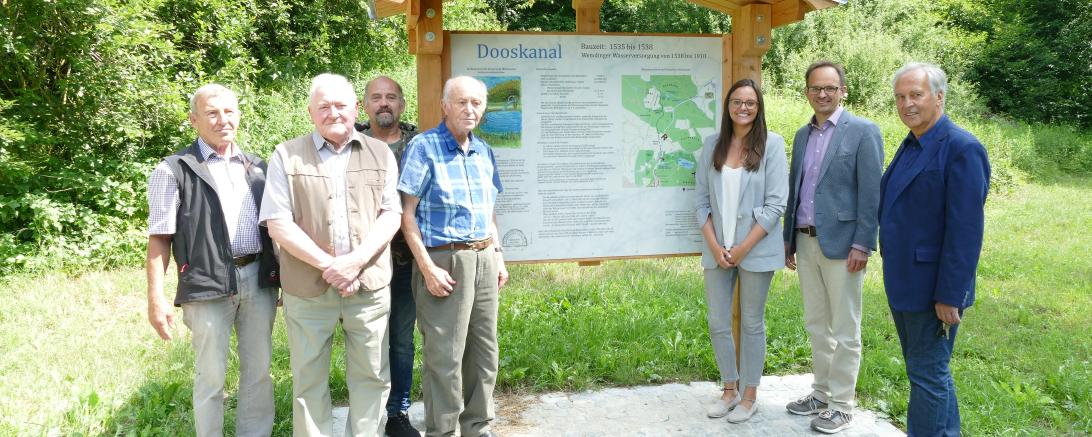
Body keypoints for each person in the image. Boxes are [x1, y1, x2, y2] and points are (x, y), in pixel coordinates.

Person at [261, 73, 402, 436]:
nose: (333, 113)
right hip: (308, 288)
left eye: (340, 105)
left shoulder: (380, 152)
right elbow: (278, 223)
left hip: (367, 287)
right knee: (308, 380)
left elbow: (391, 215)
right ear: (310, 112)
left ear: (356, 109)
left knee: (372, 374)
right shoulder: (286, 155)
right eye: (323, 106)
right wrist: (331, 266)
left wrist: (354, 263)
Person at [145, 84, 279, 437]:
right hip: (205, 284)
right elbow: (159, 238)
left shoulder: (258, 166)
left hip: (257, 279)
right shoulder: (173, 170)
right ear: (194, 120)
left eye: (230, 111)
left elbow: (274, 228)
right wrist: (156, 300)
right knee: (211, 376)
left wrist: (280, 277)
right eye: (213, 113)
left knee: (259, 371)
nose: (223, 120)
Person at [881, 62, 990, 436]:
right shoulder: (912, 142)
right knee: (929, 371)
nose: (906, 104)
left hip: (934, 292)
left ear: (939, 97)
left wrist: (950, 296)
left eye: (916, 94)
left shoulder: (962, 148)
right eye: (900, 96)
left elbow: (966, 232)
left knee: (927, 375)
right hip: (905, 284)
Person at [398, 75, 508, 437]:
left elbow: (489, 210)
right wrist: (426, 267)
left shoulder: (484, 150)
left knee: (484, 352)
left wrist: (499, 255)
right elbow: (406, 214)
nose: (470, 109)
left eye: (476, 103)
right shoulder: (424, 147)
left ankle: (478, 427)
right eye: (462, 102)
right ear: (445, 106)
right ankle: (442, 431)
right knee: (444, 357)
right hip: (443, 261)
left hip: (484, 258)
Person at [782, 61, 884, 434]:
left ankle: (841, 404)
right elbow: (798, 188)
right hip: (805, 241)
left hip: (844, 247)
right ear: (807, 92)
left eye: (829, 88)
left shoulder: (862, 132)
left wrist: (863, 243)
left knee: (845, 328)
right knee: (816, 324)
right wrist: (788, 238)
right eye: (815, 88)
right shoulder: (801, 135)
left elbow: (872, 193)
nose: (822, 94)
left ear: (843, 90)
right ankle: (821, 393)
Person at [695, 79, 788, 424]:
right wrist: (717, 247)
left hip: (756, 250)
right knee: (718, 322)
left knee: (751, 323)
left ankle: (750, 395)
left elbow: (776, 204)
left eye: (750, 102)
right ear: (728, 106)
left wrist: (743, 248)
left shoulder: (773, 145)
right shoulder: (712, 145)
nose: (743, 108)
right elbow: (701, 202)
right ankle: (729, 390)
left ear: (758, 106)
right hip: (717, 251)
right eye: (737, 102)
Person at [354, 75, 422, 437]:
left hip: (409, 262)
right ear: (365, 105)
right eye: (377, 97)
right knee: (366, 339)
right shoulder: (350, 143)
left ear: (402, 104)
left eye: (391, 97)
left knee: (401, 339)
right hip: (363, 263)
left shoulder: (419, 144)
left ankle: (397, 413)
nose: (384, 103)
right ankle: (366, 412)